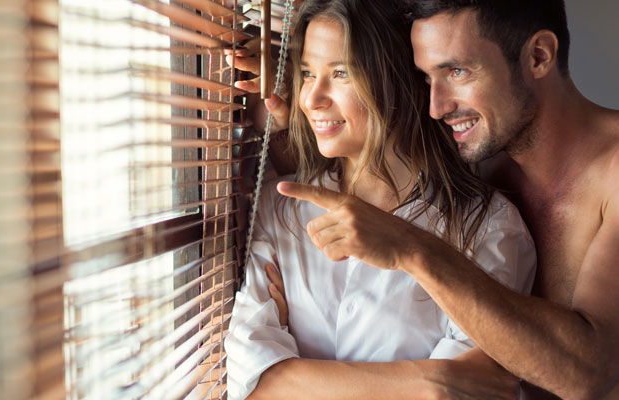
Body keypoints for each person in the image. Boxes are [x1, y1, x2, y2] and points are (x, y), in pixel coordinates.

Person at [268, 0, 619, 398]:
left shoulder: (611, 172)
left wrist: (410, 248)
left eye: (457, 71)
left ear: (538, 56)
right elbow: (368, 154)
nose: (436, 106)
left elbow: (589, 373)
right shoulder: (478, 153)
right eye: (425, 77)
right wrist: (283, 113)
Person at [223, 0, 536, 398]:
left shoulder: (489, 228)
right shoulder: (279, 206)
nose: (311, 99)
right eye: (306, 73)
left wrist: (292, 376)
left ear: (398, 81)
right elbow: (252, 385)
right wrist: (427, 380)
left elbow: (470, 392)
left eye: (340, 73)